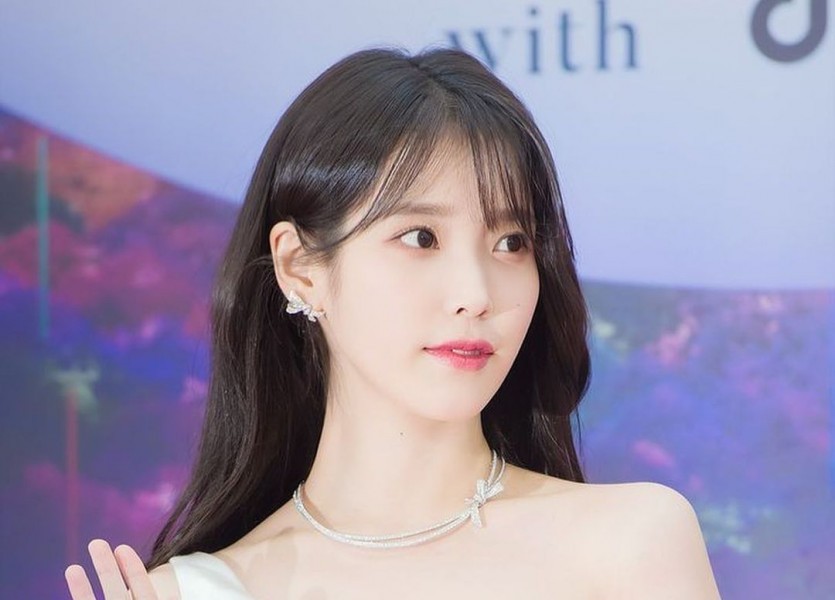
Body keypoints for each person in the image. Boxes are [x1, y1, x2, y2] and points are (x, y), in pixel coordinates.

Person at [64, 46, 721, 599]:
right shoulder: (195, 592)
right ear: (299, 267)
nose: (475, 295)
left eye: (510, 242)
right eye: (420, 237)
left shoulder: (630, 545)